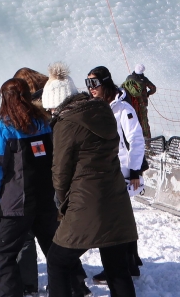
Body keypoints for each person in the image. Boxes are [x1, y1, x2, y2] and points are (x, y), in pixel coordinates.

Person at [42, 63, 138, 297]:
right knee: (117, 267)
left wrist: (63, 203)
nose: (51, 112)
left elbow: (61, 171)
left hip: (86, 202)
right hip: (115, 198)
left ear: (57, 102)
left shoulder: (66, 123)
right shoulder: (103, 110)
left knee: (57, 260)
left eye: (51, 108)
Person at [0, 78, 58, 297]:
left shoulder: (2, 128)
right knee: (54, 250)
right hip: (45, 199)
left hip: (16, 203)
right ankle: (69, 288)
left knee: (5, 253)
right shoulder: (43, 122)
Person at [86, 66, 145, 282]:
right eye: (88, 83)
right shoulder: (99, 107)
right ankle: (130, 263)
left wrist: (135, 170)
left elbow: (136, 139)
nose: (91, 88)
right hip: (107, 172)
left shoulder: (122, 108)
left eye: (95, 83)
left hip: (122, 172)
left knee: (114, 221)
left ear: (106, 82)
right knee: (121, 219)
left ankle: (122, 266)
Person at [12, 67, 50, 295]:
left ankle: (27, 284)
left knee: (25, 236)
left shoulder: (27, 116)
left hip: (27, 185)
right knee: (52, 236)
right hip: (48, 181)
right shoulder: (52, 102)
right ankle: (74, 281)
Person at [121, 64, 156, 139]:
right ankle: (147, 142)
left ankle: (133, 139)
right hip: (142, 104)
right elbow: (153, 88)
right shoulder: (144, 80)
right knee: (144, 122)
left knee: (133, 121)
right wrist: (147, 94)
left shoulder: (128, 78)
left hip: (131, 103)